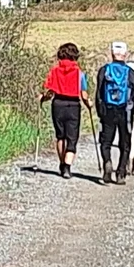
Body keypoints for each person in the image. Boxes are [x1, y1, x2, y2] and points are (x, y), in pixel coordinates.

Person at [94, 42, 134, 185]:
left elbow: (98, 93)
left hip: (108, 110)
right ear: (125, 54)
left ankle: (107, 162)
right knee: (125, 144)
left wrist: (100, 111)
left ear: (112, 54)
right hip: (125, 112)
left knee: (106, 142)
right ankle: (121, 173)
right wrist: (132, 111)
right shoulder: (130, 72)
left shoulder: (104, 70)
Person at [39, 43, 88, 179]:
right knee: (72, 138)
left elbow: (50, 92)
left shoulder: (54, 71)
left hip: (58, 105)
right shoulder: (79, 73)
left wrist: (42, 98)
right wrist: (89, 104)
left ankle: (62, 163)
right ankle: (67, 166)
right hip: (73, 106)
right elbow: (84, 95)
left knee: (60, 136)